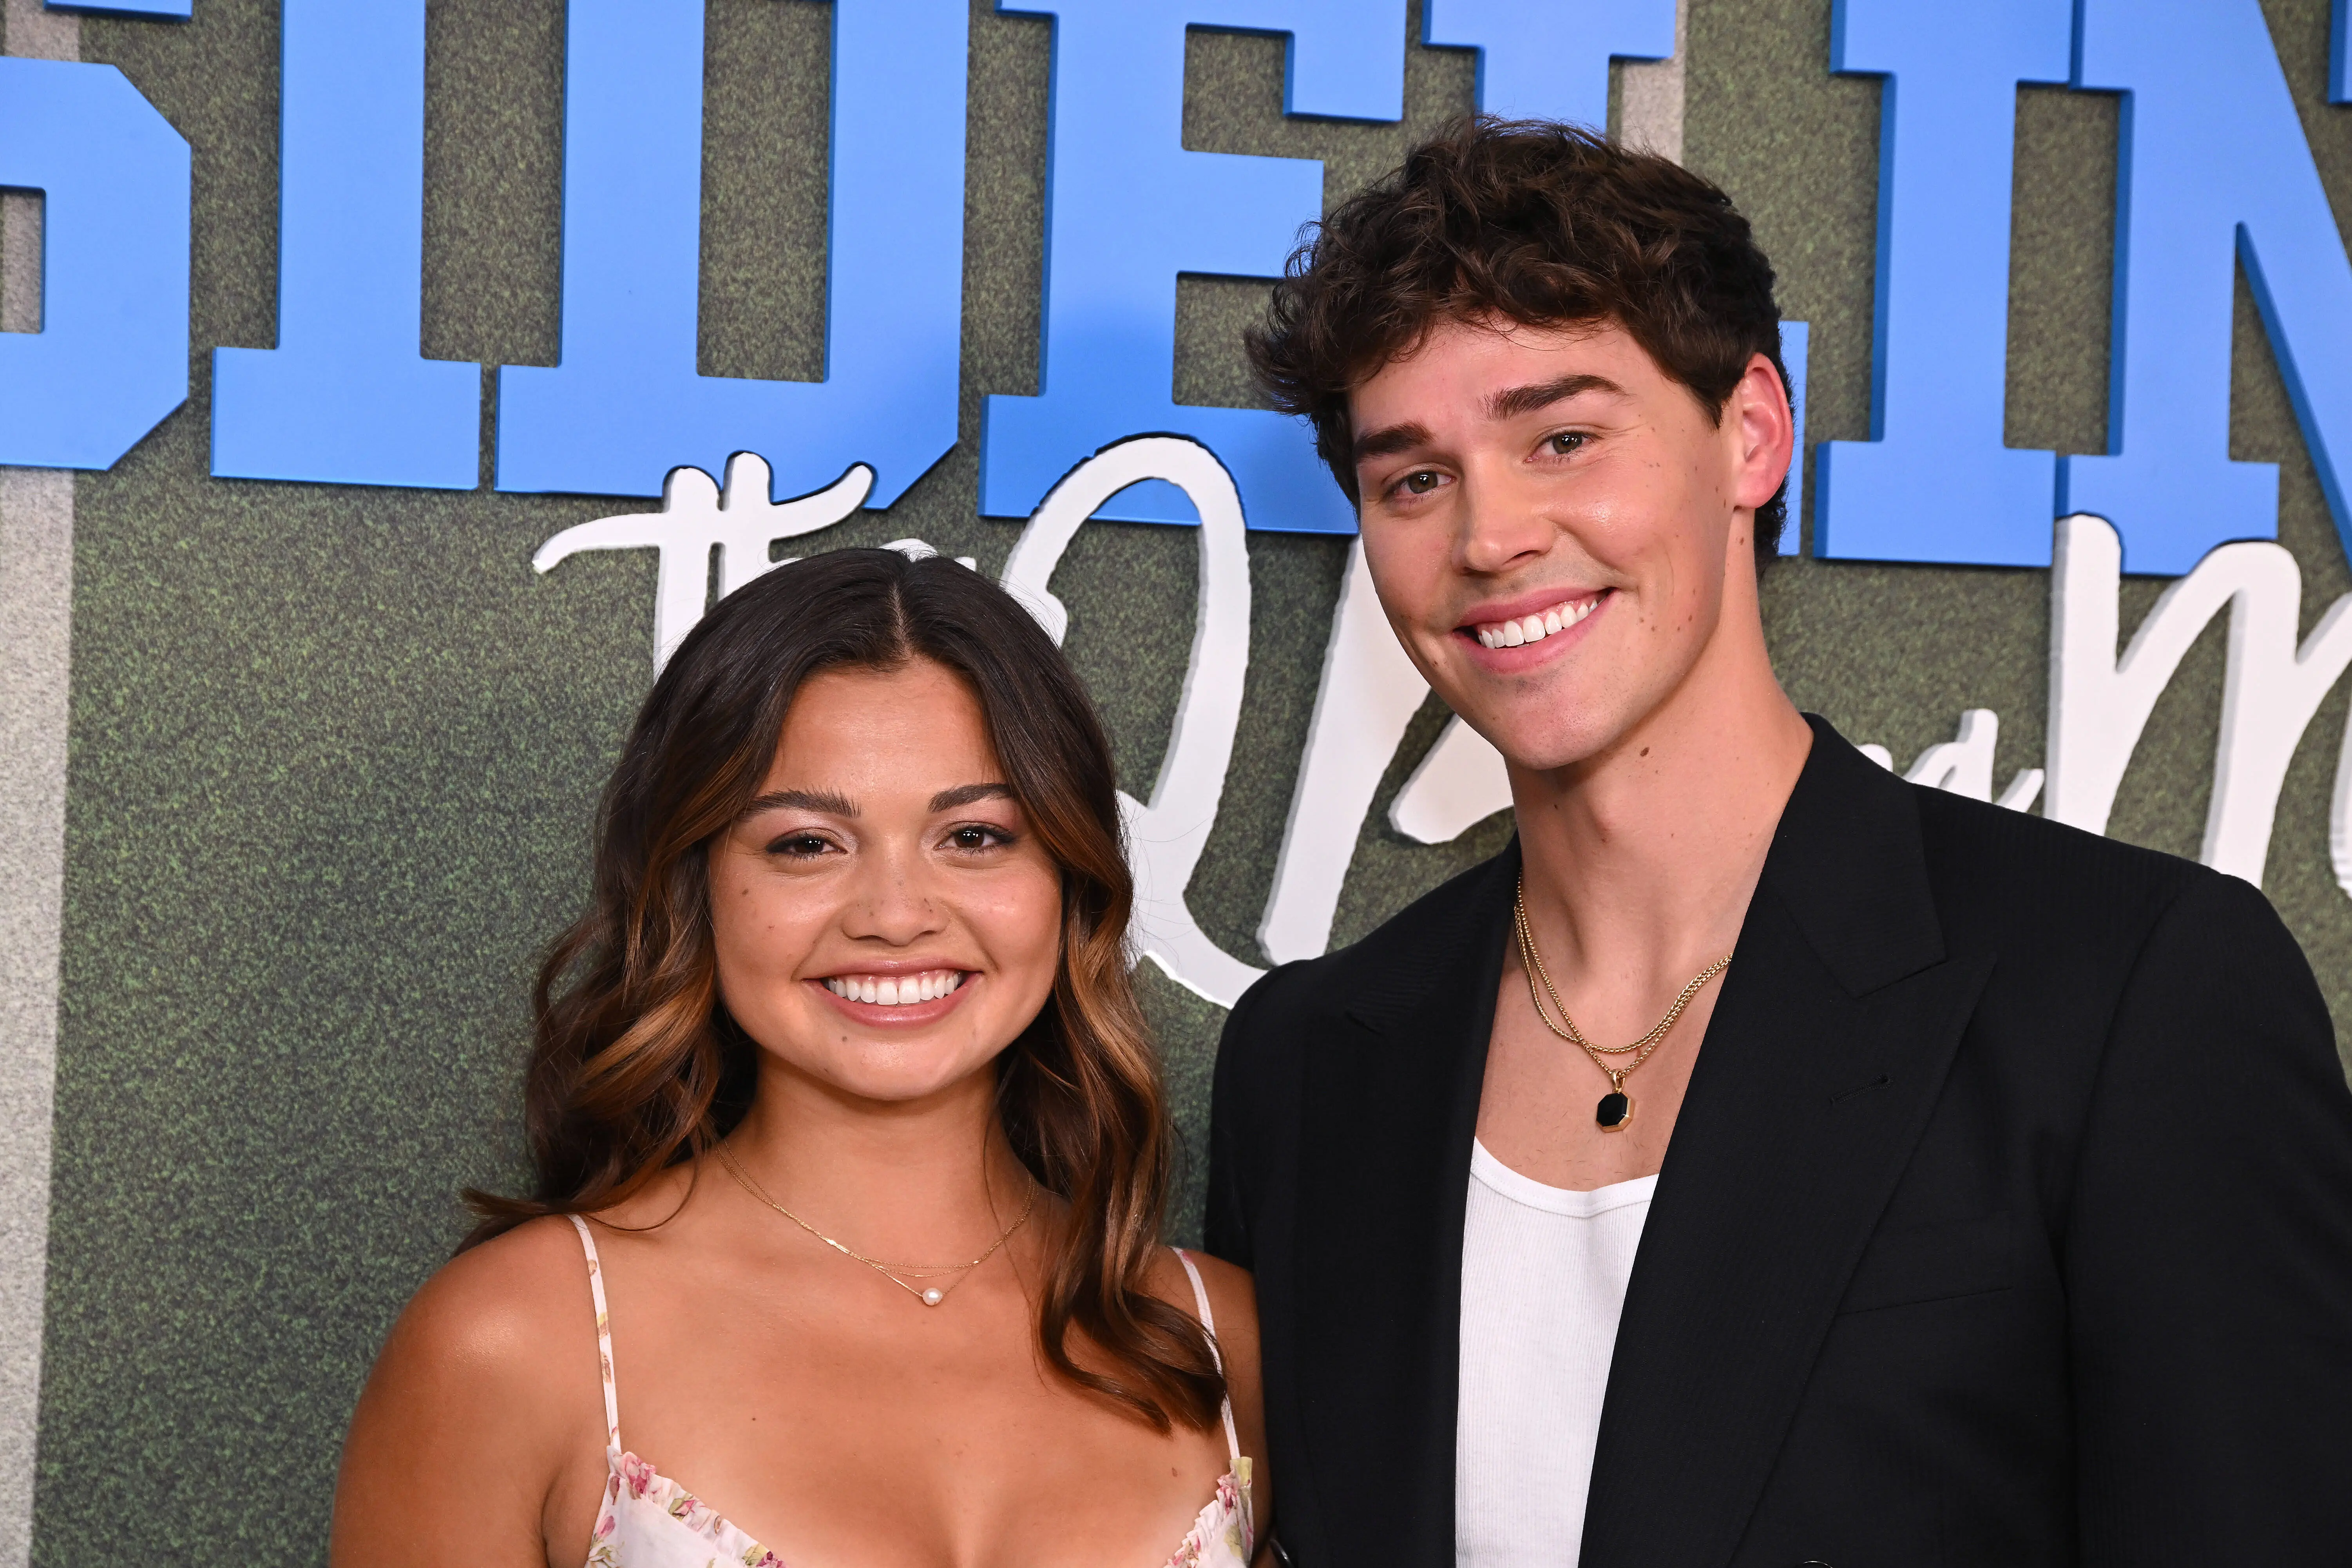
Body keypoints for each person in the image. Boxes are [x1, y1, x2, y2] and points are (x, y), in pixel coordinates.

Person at [1206, 117, 2352, 1566]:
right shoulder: (1308, 1068)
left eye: (1562, 436)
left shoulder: (2133, 993)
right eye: (1413, 478)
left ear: (1750, 433)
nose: (1490, 535)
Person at [332, 549, 1270, 1567]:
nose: (897, 915)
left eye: (975, 835)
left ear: (1069, 880)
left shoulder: (1222, 1337)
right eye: (807, 845)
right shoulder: (523, 1340)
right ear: (694, 886)